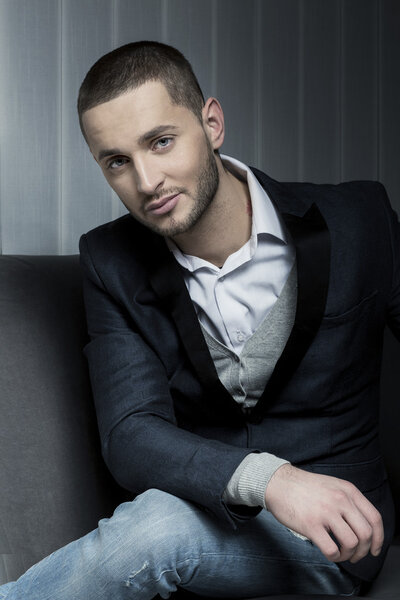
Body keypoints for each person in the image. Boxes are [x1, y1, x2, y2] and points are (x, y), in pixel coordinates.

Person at [0, 40, 398, 600]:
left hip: (339, 537)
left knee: (158, 526)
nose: (146, 182)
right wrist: (272, 480)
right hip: (198, 516)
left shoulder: (359, 219)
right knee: (159, 522)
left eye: (161, 142)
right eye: (117, 161)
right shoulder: (110, 260)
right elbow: (131, 434)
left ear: (211, 123)